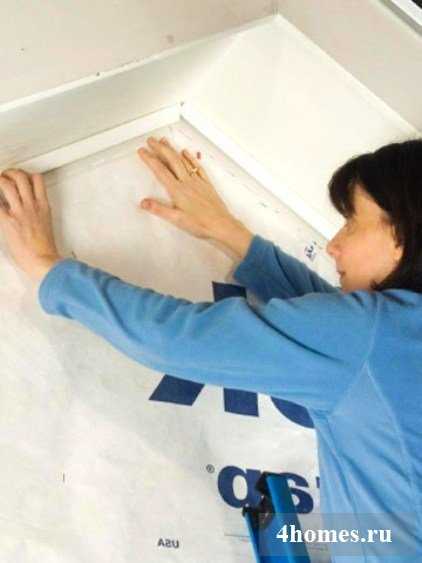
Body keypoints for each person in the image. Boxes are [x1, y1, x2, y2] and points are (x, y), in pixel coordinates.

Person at [0, 136, 421, 561]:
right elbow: (337, 332)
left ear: (402, 233)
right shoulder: (389, 336)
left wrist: (48, 268)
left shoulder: (370, 334)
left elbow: (178, 338)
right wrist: (229, 233)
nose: (333, 244)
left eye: (352, 222)